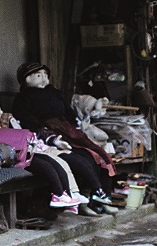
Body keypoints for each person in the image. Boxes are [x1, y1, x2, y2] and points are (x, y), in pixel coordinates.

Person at [12, 62, 116, 214]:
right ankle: (83, 202)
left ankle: (100, 197)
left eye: (46, 76)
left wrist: (76, 127)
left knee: (96, 154)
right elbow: (28, 122)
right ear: (26, 79)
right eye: (38, 75)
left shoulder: (54, 92)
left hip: (68, 130)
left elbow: (68, 111)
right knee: (77, 158)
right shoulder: (22, 98)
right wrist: (49, 136)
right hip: (46, 133)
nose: (43, 79)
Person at [0, 94, 89, 213]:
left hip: (15, 153)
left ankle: (66, 194)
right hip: (10, 156)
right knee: (47, 164)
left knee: (51, 162)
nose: (0, 112)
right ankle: (61, 194)